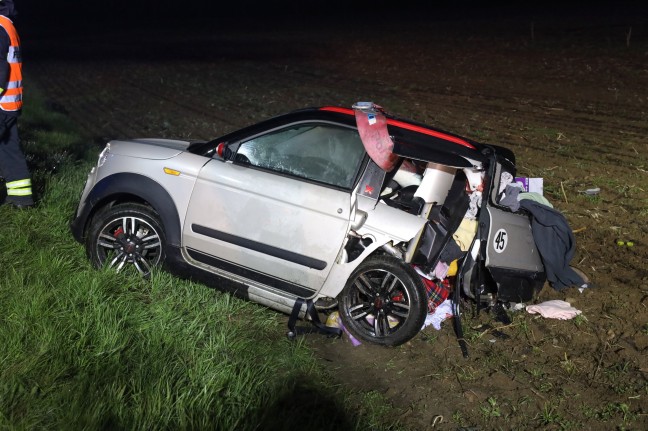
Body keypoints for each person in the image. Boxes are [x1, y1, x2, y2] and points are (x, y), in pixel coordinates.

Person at [0, 0, 32, 208]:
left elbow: (0, 70)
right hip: (10, 104)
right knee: (8, 149)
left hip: (1, 104)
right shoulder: (7, 24)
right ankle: (21, 199)